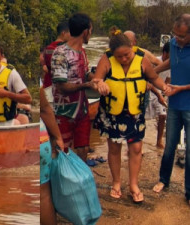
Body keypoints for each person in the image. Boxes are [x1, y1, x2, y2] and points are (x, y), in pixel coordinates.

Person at [92, 29, 170, 203]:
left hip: (134, 113)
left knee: (135, 148)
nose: (124, 59)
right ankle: (117, 182)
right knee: (114, 148)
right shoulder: (106, 59)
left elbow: (153, 77)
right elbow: (96, 80)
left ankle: (134, 185)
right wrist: (101, 84)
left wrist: (164, 88)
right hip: (112, 112)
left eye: (127, 55)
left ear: (132, 48)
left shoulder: (142, 60)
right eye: (119, 57)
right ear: (113, 54)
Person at [152, 14, 190, 206]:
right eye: (175, 34)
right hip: (174, 105)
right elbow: (172, 62)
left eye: (182, 36)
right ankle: (163, 179)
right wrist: (154, 71)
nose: (177, 39)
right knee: (169, 146)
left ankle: (189, 192)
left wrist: (181, 87)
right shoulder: (174, 44)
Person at [51, 13, 94, 162]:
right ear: (85, 32)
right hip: (64, 111)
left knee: (83, 148)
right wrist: (86, 85)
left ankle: (79, 178)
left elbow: (86, 73)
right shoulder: (60, 53)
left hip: (82, 109)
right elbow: (61, 86)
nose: (91, 34)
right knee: (63, 149)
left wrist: (98, 80)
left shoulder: (82, 52)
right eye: (91, 30)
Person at [40, 85, 64, 225]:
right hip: (41, 139)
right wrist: (58, 137)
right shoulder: (40, 85)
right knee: (43, 194)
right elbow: (45, 110)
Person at [145, 42, 171, 148]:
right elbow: (148, 79)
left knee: (163, 115)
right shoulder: (154, 61)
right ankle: (139, 142)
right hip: (148, 90)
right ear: (165, 53)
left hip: (160, 92)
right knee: (142, 118)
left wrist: (165, 94)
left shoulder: (171, 65)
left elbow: (168, 81)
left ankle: (159, 141)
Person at [43, 20, 71, 106]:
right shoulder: (65, 49)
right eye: (70, 33)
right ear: (64, 33)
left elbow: (45, 68)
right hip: (61, 88)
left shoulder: (47, 48)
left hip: (48, 87)